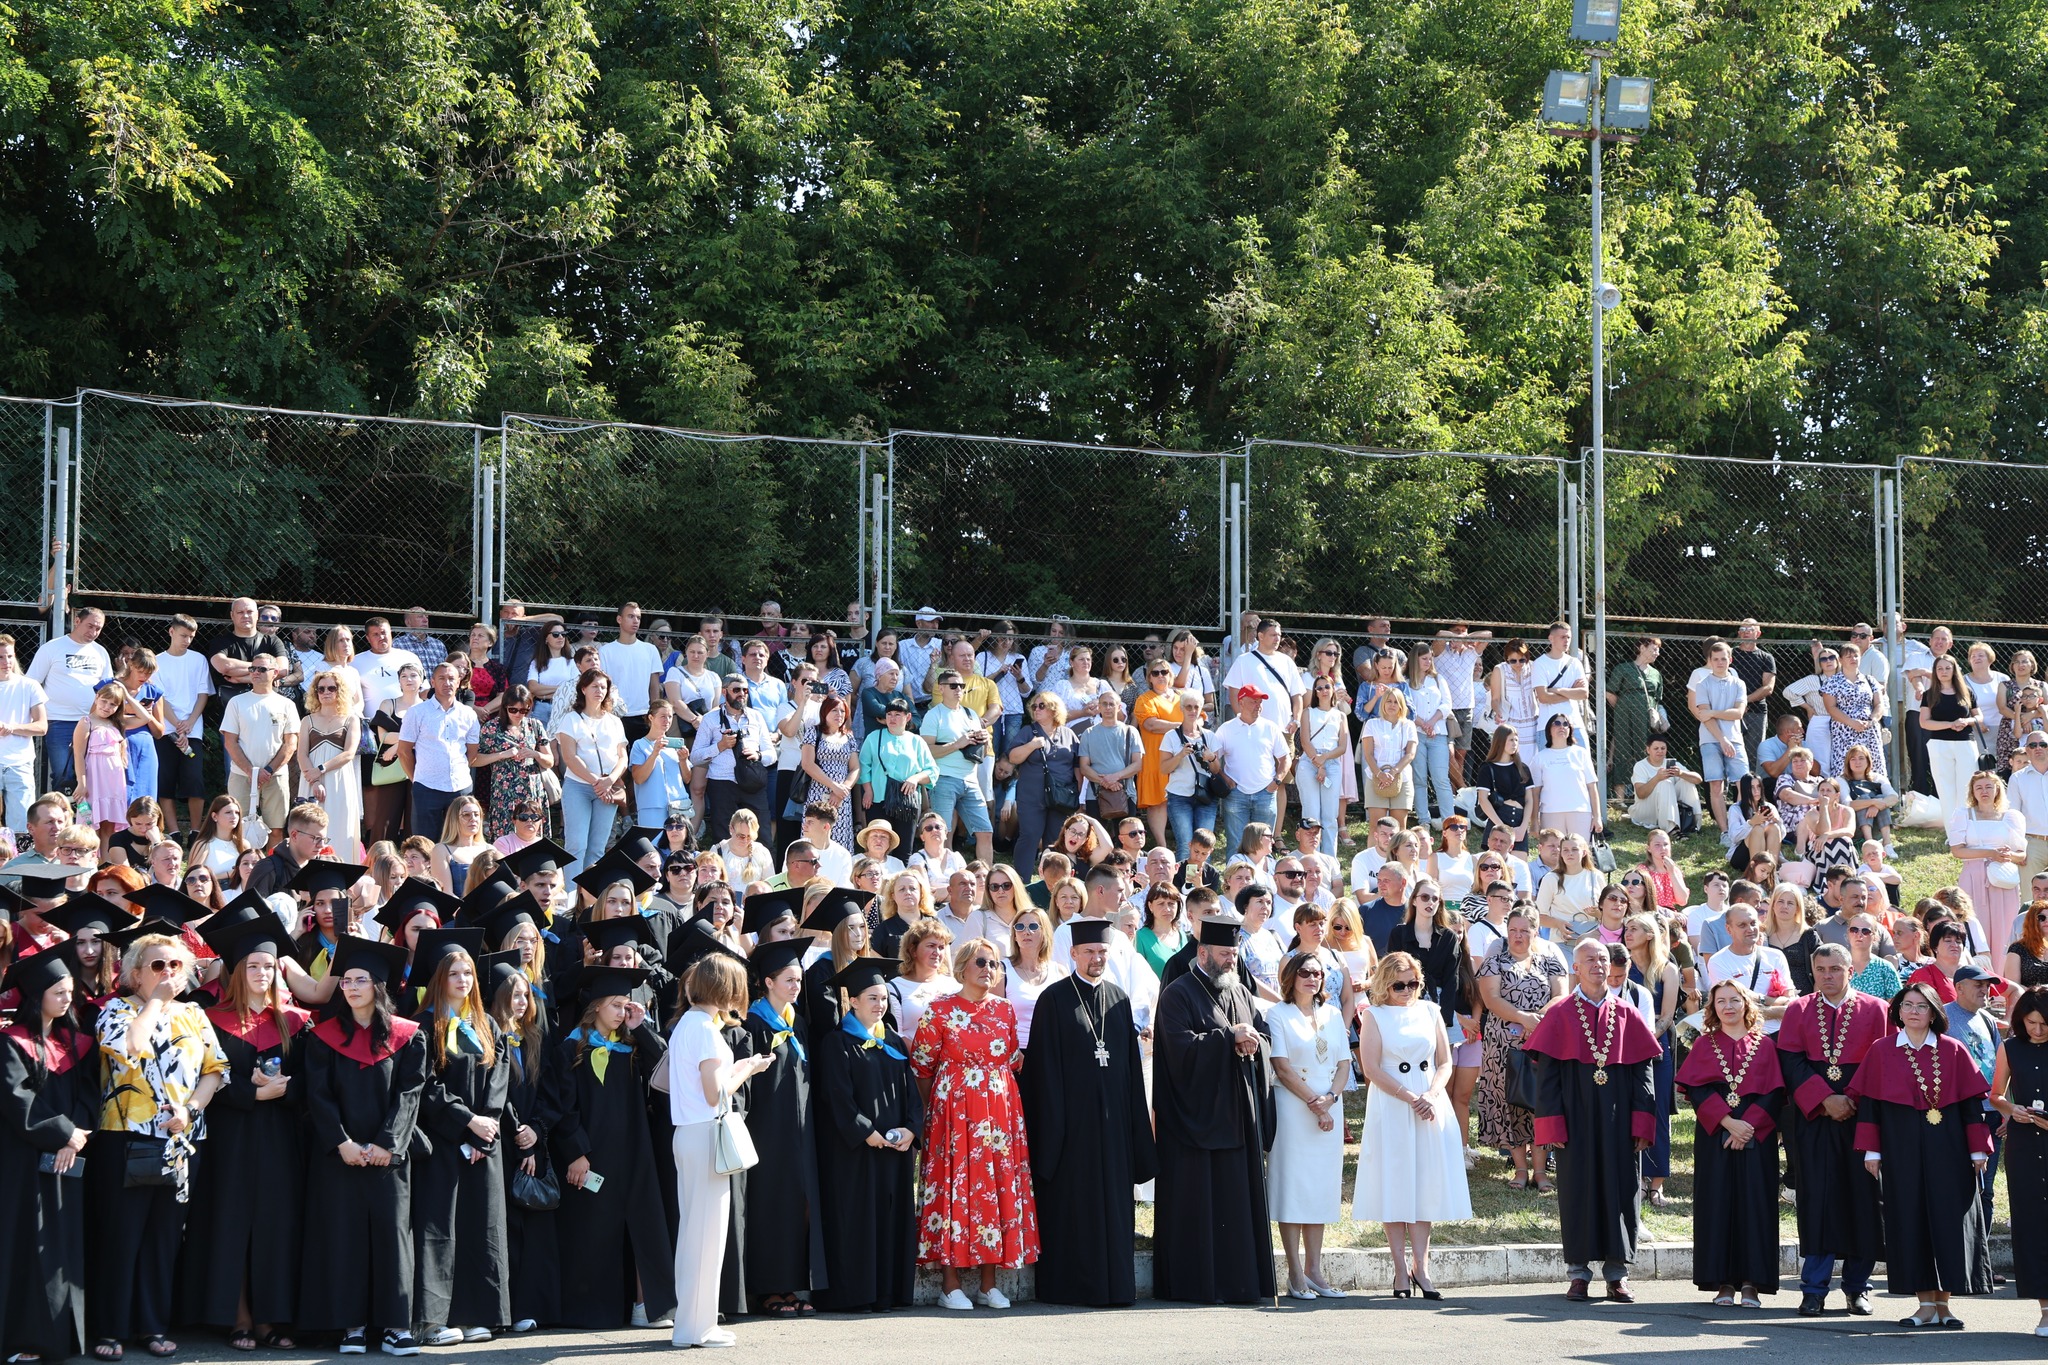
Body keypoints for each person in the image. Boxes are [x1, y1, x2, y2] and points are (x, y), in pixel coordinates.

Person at [87, 928, 229, 1360]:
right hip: (125, 1137)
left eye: (175, 965)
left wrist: (190, 1111)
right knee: (121, 1236)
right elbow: (131, 1045)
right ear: (134, 974)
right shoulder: (117, 1010)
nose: (168, 972)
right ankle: (109, 1328)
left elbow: (215, 1070)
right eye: (157, 965)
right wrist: (154, 1002)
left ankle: (152, 1325)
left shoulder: (194, 1014)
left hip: (181, 1140)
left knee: (164, 1238)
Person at [294, 936, 426, 1356]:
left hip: (390, 1156)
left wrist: (388, 1143)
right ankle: (350, 1324)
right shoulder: (324, 1037)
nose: (350, 987)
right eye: (346, 980)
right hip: (340, 1156)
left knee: (392, 1235)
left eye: (360, 980)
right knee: (343, 1235)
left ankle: (394, 1326)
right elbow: (319, 1096)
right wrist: (342, 1143)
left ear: (378, 986)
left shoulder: (408, 1037)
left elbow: (410, 1094)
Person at [186, 908, 310, 1351]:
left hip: (278, 1136)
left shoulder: (294, 1021)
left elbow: (310, 1082)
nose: (261, 973)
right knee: (231, 1221)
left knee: (276, 1224)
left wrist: (284, 1089)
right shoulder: (211, 1020)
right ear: (237, 972)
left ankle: (271, 1318)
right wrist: (251, 1094)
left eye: (268, 967)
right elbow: (206, 1076)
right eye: (252, 966)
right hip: (230, 1135)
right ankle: (237, 1315)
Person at [1013, 916, 1154, 1306]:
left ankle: (1116, 1287)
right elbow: (1043, 1072)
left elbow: (1127, 1067)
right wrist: (1057, 1127)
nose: (1096, 958)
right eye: (1089, 951)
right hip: (1071, 1129)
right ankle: (1071, 1288)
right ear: (1073, 954)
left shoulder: (1120, 998)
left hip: (1113, 1126)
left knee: (1113, 1205)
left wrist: (1132, 1125)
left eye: (1102, 951)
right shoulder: (1054, 999)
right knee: (1075, 1205)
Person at [1848, 979, 1994, 1328]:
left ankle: (1945, 1305)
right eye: (1907, 1006)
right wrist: (1872, 1149)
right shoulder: (1882, 1050)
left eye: (1921, 1006)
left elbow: (1973, 1107)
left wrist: (1978, 1149)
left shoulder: (1954, 1049)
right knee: (1910, 1220)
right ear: (1898, 1012)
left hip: (1950, 1147)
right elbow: (1870, 1106)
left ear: (1933, 1013)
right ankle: (1924, 1304)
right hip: (1900, 1148)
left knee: (1947, 1222)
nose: (1914, 1012)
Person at [539, 960, 676, 1329]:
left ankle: (645, 1306)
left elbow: (666, 1064)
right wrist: (576, 1153)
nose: (622, 1012)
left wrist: (640, 1026)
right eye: (616, 1005)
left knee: (643, 1228)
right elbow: (563, 1107)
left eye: (626, 1005)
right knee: (594, 1232)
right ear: (596, 1005)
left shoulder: (630, 1046)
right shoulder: (570, 1049)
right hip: (592, 1157)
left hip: (635, 1152)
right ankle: (593, 1310)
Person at [1526, 937, 1661, 1302]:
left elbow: (1643, 1075)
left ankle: (1617, 1274)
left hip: (1619, 1120)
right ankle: (1578, 1273)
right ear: (1575, 967)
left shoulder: (1628, 1013)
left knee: (1622, 1191)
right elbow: (1547, 1080)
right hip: (1574, 1118)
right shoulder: (1559, 1014)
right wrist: (1551, 1125)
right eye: (1589, 959)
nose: (1598, 964)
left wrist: (1642, 1123)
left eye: (1602, 958)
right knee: (1577, 1191)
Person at [1150, 912, 1275, 1305]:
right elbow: (1178, 1050)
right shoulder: (1178, 993)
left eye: (1234, 954)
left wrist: (1253, 1044)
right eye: (1224, 954)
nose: (1230, 961)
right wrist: (1227, 1038)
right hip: (1193, 1122)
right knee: (1198, 1206)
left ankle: (1239, 1284)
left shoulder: (1240, 991)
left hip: (1236, 1116)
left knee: (1237, 1205)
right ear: (1202, 952)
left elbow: (1262, 1033)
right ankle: (1196, 1285)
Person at [909, 938, 1038, 1310]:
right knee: (955, 1189)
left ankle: (988, 1282)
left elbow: (1013, 1060)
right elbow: (921, 1067)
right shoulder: (939, 1010)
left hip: (1000, 1114)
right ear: (962, 966)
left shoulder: (1004, 1010)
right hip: (954, 1113)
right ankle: (949, 1285)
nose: (988, 969)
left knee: (994, 1190)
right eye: (981, 962)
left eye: (994, 964)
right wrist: (938, 1108)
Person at [668, 953, 775, 1347]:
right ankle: (697, 1328)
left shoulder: (687, 1024)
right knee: (706, 1234)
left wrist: (741, 1065)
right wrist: (748, 1070)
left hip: (690, 1133)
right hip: (704, 1134)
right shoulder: (706, 1030)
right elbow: (716, 1092)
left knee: (695, 1231)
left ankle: (691, 1325)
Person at [1778, 943, 1888, 1315]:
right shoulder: (1798, 1009)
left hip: (1862, 1113)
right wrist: (1825, 1099)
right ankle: (1814, 1288)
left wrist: (1850, 1099)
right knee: (1818, 1199)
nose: (1828, 975)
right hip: (1814, 1118)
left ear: (1849, 971)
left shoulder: (1877, 1009)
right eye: (1821, 969)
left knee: (1863, 1200)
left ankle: (1858, 1287)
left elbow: (1883, 1059)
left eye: (1835, 969)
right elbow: (1790, 1061)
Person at [1354, 951, 1472, 1298]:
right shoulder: (1373, 1016)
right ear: (1384, 984)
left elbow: (1445, 1062)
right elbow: (1372, 1069)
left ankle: (1422, 1266)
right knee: (1395, 1182)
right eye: (1399, 985)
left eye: (1413, 983)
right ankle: (1399, 1271)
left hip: (1430, 1103)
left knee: (1425, 1182)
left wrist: (1433, 1095)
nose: (1407, 990)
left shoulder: (1431, 1010)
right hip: (1392, 1105)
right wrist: (1410, 1098)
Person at [811, 958, 922, 1313]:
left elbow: (912, 1095)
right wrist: (867, 1133)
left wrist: (910, 1129)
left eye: (883, 998)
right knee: (857, 1220)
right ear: (853, 1002)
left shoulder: (892, 1041)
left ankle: (889, 1292)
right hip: (856, 1153)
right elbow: (837, 1097)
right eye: (871, 998)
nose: (879, 1005)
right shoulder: (837, 1042)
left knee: (892, 1220)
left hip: (895, 1150)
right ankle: (857, 1295)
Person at [0, 951, 95, 1365]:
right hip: (21, 1161)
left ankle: (62, 1338)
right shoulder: (11, 1043)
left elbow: (91, 1093)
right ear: (37, 995)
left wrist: (76, 1136)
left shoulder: (74, 1042)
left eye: (70, 992)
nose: (66, 1000)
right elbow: (17, 1102)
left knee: (63, 1245)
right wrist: (62, 1133)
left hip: (67, 1159)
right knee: (26, 1244)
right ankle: (21, 1337)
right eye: (59, 992)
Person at [1679, 979, 1785, 1308]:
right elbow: (1697, 1090)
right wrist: (1728, 1122)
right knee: (1717, 1203)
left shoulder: (1765, 1044)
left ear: (1746, 1005)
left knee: (1756, 1205)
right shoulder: (1703, 1044)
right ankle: (1723, 1282)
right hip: (1715, 1135)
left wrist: (1747, 1126)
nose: (1728, 1006)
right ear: (1712, 1008)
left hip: (1758, 1133)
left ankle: (1752, 1283)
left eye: (1734, 1000)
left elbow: (1775, 1092)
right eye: (1720, 1001)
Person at [736, 939, 827, 1316]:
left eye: (799, 980)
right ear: (768, 982)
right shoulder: (752, 1024)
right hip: (765, 1132)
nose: (796, 987)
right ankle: (767, 1288)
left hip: (799, 1131)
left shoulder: (798, 1023)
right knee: (769, 1205)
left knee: (797, 1207)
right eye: (789, 980)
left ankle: (791, 1286)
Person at [1265, 950, 1352, 1300]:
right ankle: (1295, 1272)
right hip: (1293, 1106)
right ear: (1291, 976)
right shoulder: (1277, 1013)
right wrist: (1313, 1102)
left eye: (1317, 972)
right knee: (1293, 1187)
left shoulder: (1332, 1014)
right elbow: (1281, 1067)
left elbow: (1345, 1063)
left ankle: (1315, 1269)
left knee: (1318, 1187)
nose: (1312, 978)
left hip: (1330, 1103)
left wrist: (1329, 1099)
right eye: (1304, 972)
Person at [1989, 985, 2048, 1334]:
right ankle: (2045, 1309)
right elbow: (1995, 1094)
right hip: (2025, 1145)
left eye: (2044, 1023)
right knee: (2032, 1224)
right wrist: (2013, 1111)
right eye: (2031, 1023)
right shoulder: (2010, 1047)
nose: (2037, 1030)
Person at [551, 670, 629, 882]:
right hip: (579, 787)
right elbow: (570, 757)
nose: (599, 691)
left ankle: (589, 896)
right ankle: (570, 897)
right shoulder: (571, 719)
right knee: (576, 844)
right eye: (594, 686)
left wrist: (609, 781)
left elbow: (622, 757)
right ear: (583, 689)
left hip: (608, 789)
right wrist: (597, 782)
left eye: (603, 687)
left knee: (597, 847)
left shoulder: (614, 721)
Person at [395, 661, 481, 851]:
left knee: (460, 844)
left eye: (452, 678)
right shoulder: (417, 712)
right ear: (432, 682)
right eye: (442, 678)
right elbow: (403, 751)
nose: (447, 683)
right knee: (425, 847)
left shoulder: (468, 714)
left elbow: (472, 752)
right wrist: (417, 779)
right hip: (427, 787)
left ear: (459, 682)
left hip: (460, 788)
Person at [28, 605, 113, 791]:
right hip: (59, 721)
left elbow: (108, 691)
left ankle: (87, 818)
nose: (94, 632)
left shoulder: (101, 653)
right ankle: (63, 817)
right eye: (90, 626)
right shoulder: (52, 648)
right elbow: (31, 684)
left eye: (98, 628)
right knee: (63, 774)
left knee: (92, 774)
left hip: (92, 723)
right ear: (77, 621)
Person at [1949, 769, 2026, 968]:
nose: (1984, 791)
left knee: (2004, 927)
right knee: (1976, 926)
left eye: (1989, 786)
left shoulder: (2011, 816)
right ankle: (1977, 975)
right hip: (1973, 876)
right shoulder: (1964, 814)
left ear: (1997, 789)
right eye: (1979, 787)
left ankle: (2003, 978)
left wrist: (2006, 856)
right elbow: (1957, 850)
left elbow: (2021, 855)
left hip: (2002, 877)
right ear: (1972, 792)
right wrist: (1990, 853)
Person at [1210, 684, 1291, 869]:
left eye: (1260, 702)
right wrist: (1224, 777)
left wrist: (1276, 781)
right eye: (1254, 701)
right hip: (1236, 794)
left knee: (1264, 845)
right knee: (1236, 843)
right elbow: (1213, 760)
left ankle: (1264, 885)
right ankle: (1234, 885)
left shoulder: (1270, 728)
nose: (1258, 705)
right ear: (1241, 702)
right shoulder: (1226, 729)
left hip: (1265, 793)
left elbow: (1285, 758)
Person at [297, 666, 365, 860]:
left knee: (339, 826)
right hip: (311, 780)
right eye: (321, 689)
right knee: (309, 827)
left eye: (331, 688)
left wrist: (321, 769)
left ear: (339, 690)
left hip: (339, 780)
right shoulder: (307, 720)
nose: (326, 692)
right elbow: (301, 754)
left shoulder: (351, 719)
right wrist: (314, 780)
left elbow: (349, 753)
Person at [1920, 654, 1984, 823]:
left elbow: (1979, 717)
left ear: (1954, 670)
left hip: (1966, 744)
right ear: (1935, 672)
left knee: (1967, 788)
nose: (1944, 671)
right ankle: (1953, 834)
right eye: (1939, 668)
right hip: (1939, 744)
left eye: (1948, 668)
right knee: (1945, 790)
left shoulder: (1967, 692)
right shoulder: (1929, 695)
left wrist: (1966, 721)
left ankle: (1969, 827)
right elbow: (1924, 723)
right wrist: (1950, 724)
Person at [1606, 636, 1664, 802]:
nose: (1657, 653)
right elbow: (1610, 693)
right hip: (1624, 717)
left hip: (1647, 720)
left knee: (1645, 751)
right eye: (1654, 649)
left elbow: (1658, 699)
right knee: (1622, 750)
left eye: (1658, 649)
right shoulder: (1623, 668)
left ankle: (1645, 796)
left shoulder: (1656, 674)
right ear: (1641, 648)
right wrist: (1625, 707)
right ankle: (1620, 798)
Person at [1526, 713, 1602, 840]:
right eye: (1557, 723)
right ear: (1549, 730)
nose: (1562, 727)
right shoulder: (1539, 758)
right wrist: (1534, 822)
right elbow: (1535, 793)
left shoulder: (1581, 753)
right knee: (1555, 855)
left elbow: (1592, 787)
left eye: (1565, 724)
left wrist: (1597, 817)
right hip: (1550, 813)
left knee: (1580, 853)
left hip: (1581, 812)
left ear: (1570, 730)